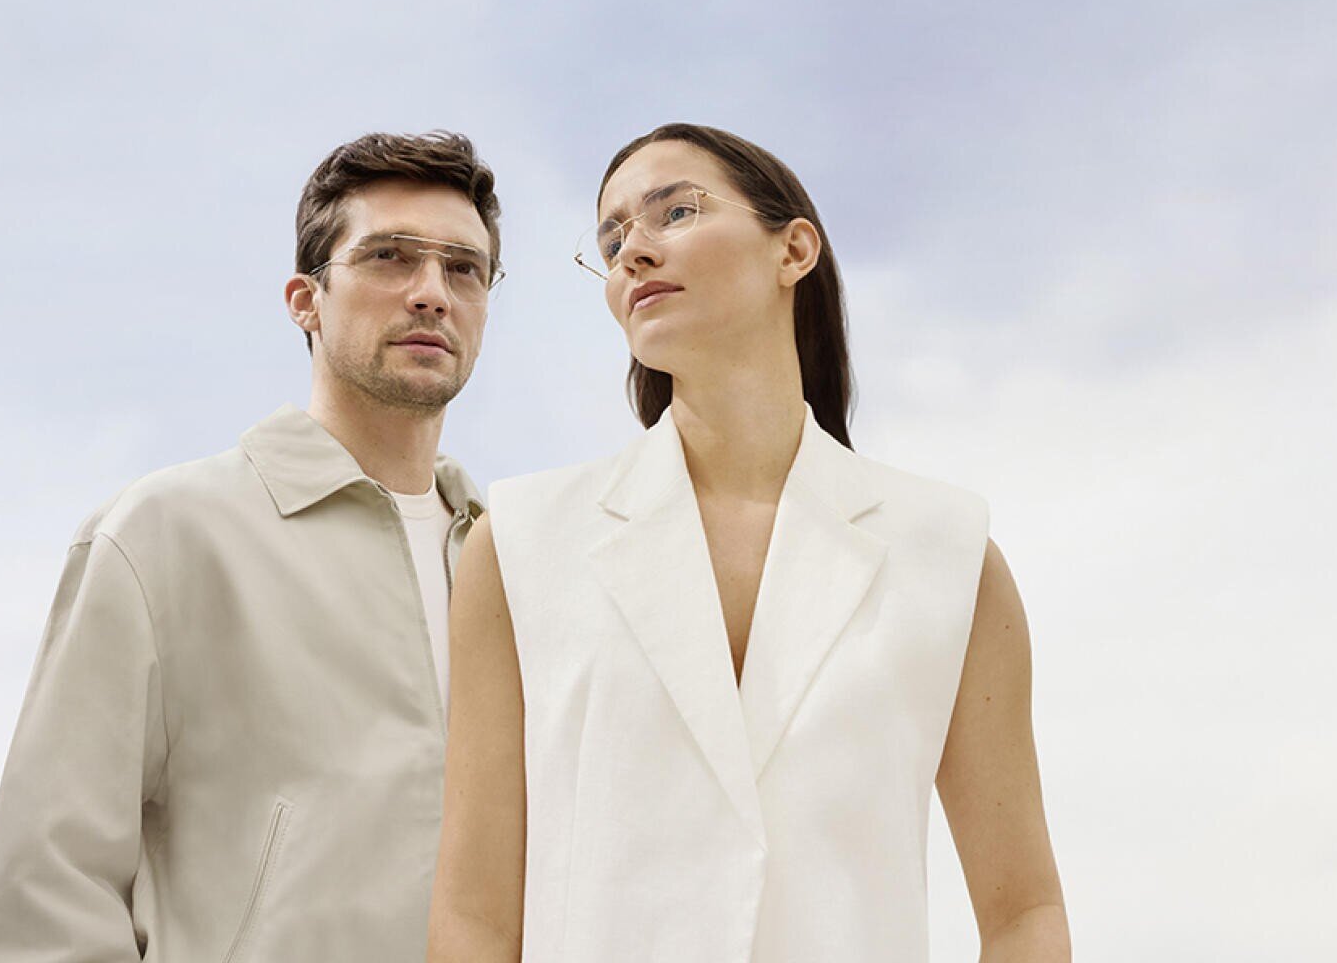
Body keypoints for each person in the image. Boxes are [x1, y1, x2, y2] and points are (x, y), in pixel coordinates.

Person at [429, 123, 1069, 962]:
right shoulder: (518, 544)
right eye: (612, 239)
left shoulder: (946, 555)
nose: (632, 253)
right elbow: (475, 914)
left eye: (676, 212)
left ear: (793, 249)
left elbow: (1022, 911)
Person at [0, 131, 505, 961]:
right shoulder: (166, 532)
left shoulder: (516, 560)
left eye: (463, 268)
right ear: (305, 300)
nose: (431, 292)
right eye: (390, 258)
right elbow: (47, 886)